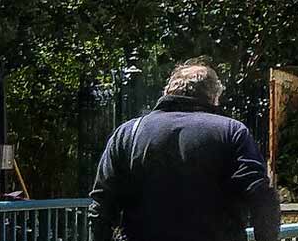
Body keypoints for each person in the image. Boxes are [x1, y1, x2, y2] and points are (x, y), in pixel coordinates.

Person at [89, 63, 280, 241]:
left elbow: (102, 205)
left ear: (167, 91)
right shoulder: (232, 131)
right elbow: (261, 196)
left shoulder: (128, 133)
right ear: (213, 97)